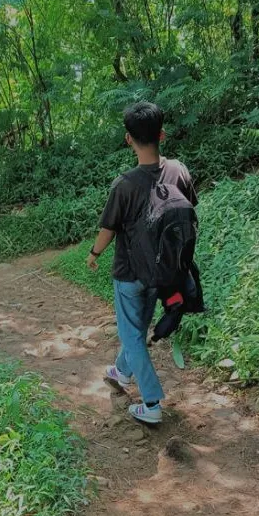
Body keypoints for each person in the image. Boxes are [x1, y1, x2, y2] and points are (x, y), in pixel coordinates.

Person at [87, 101, 197, 424]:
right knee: (135, 331)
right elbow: (190, 207)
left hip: (129, 275)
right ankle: (121, 372)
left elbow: (108, 230)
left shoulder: (124, 185)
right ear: (161, 135)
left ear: (128, 139)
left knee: (132, 334)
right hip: (163, 275)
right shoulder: (179, 170)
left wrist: (93, 255)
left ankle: (151, 404)